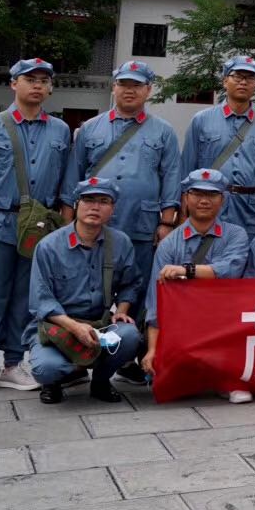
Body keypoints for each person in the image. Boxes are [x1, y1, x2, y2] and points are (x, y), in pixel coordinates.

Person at [0, 58, 72, 398]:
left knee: (26, 298)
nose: (37, 85)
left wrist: (65, 230)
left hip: (40, 229)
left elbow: (66, 185)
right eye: (29, 79)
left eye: (44, 80)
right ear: (14, 84)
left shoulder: (60, 130)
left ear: (50, 88)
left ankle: (12, 364)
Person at [66, 62, 183, 339]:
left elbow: (171, 177)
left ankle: (132, 347)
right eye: (124, 84)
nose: (129, 90)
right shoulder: (90, 129)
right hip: (93, 223)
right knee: (88, 284)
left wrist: (167, 222)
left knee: (139, 284)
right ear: (114, 87)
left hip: (141, 221)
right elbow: (73, 176)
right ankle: (85, 343)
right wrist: (68, 221)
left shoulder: (163, 131)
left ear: (148, 90)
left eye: (137, 85)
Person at [28, 176, 143, 405]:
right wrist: (74, 327)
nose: (95, 207)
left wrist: (121, 310)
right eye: (88, 200)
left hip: (100, 324)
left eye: (103, 201)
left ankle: (100, 381)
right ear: (76, 204)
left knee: (130, 336)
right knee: (46, 368)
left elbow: (131, 282)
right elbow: (41, 300)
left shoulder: (120, 243)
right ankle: (54, 382)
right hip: (59, 326)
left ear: (112, 209)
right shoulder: (49, 246)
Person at [140, 169, 252, 400]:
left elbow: (230, 270)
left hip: (225, 321)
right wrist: (152, 350)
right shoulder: (169, 245)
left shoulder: (236, 235)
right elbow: (155, 300)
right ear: (186, 198)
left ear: (222, 199)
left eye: (211, 195)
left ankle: (228, 379)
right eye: (197, 194)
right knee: (170, 381)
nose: (204, 200)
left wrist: (187, 270)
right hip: (185, 325)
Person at [180, 55, 255, 237]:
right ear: (225, 81)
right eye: (237, 76)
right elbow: (187, 169)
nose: (243, 82)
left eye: (250, 78)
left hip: (249, 209)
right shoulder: (201, 120)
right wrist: (183, 214)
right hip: (209, 205)